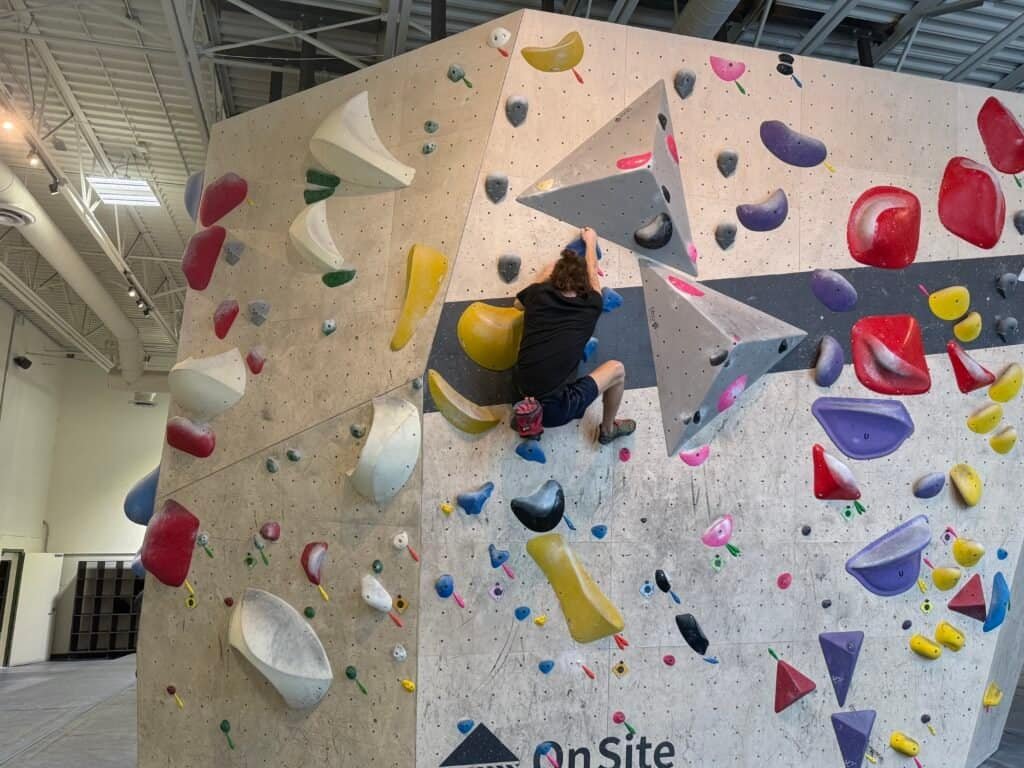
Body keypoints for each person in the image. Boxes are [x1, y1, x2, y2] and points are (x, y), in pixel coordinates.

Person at [513, 227, 635, 445]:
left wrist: (545, 274)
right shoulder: (591, 305)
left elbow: (516, 304)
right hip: (558, 409)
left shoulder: (537, 295)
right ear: (584, 286)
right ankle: (607, 430)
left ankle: (529, 416)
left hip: (521, 391)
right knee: (618, 370)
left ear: (554, 278)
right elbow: (593, 272)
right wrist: (590, 242)